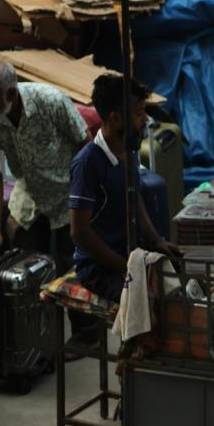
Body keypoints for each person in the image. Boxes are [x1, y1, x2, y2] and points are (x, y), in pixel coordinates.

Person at [0, 58, 97, 355]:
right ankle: (35, 338)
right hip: (29, 195)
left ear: (11, 95)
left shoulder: (50, 101)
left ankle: (86, 335)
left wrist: (86, 202)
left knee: (75, 263)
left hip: (68, 192)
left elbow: (86, 146)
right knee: (27, 267)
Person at [69, 74, 180, 303]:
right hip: (98, 267)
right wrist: (125, 267)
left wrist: (157, 240)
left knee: (178, 280)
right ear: (116, 118)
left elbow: (134, 194)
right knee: (146, 306)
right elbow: (79, 232)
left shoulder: (128, 149)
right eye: (139, 113)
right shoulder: (88, 163)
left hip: (129, 254)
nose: (145, 120)